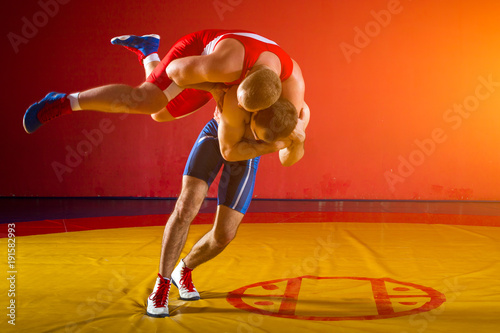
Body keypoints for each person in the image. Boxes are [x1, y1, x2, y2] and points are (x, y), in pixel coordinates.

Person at [107, 35, 308, 317]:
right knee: (186, 205)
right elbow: (228, 151)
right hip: (220, 137)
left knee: (225, 234)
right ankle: (162, 284)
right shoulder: (242, 93)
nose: (249, 122)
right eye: (249, 118)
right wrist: (218, 93)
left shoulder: (294, 107)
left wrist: (295, 141)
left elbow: (288, 160)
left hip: (248, 151)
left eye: (257, 129)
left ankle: (184, 269)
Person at [23, 29, 307, 141]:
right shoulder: (223, 66)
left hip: (225, 74)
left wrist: (300, 134)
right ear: (241, 80)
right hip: (196, 55)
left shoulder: (294, 85)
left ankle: (148, 50)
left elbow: (293, 131)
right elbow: (175, 71)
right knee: (148, 100)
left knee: (160, 115)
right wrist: (213, 88)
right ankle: (63, 101)